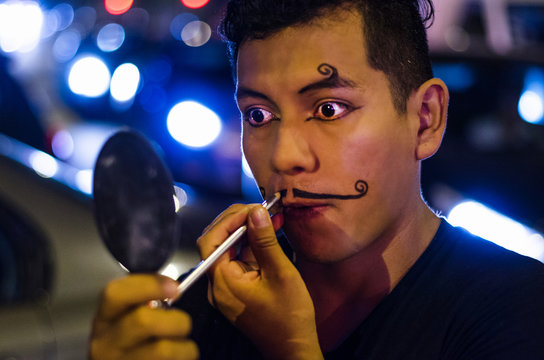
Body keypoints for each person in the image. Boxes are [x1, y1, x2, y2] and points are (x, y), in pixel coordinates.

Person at [89, 0, 544, 359]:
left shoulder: (515, 311)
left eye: (329, 109)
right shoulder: (204, 311)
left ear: (425, 119)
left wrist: (292, 352)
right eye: (259, 115)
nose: (285, 156)